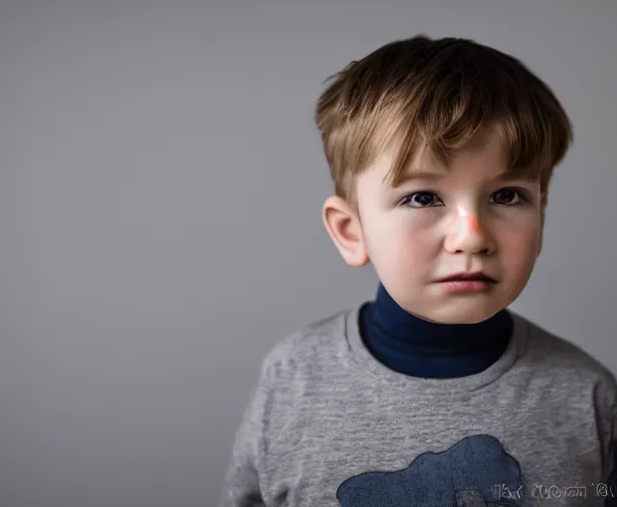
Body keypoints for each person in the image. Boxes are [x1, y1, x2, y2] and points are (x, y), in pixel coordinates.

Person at [218, 35, 617, 507]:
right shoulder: (294, 377)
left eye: (507, 196)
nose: (472, 237)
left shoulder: (584, 395)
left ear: (541, 218)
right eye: (423, 197)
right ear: (351, 231)